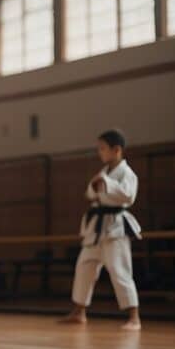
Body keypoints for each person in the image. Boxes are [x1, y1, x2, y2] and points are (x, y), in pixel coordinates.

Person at [60, 129, 142, 330]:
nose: (100, 152)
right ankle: (79, 311)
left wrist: (105, 183)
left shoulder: (127, 174)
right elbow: (90, 194)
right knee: (84, 267)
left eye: (103, 148)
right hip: (96, 229)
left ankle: (134, 317)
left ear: (116, 150)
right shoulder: (104, 172)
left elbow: (128, 196)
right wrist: (98, 184)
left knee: (120, 270)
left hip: (115, 227)